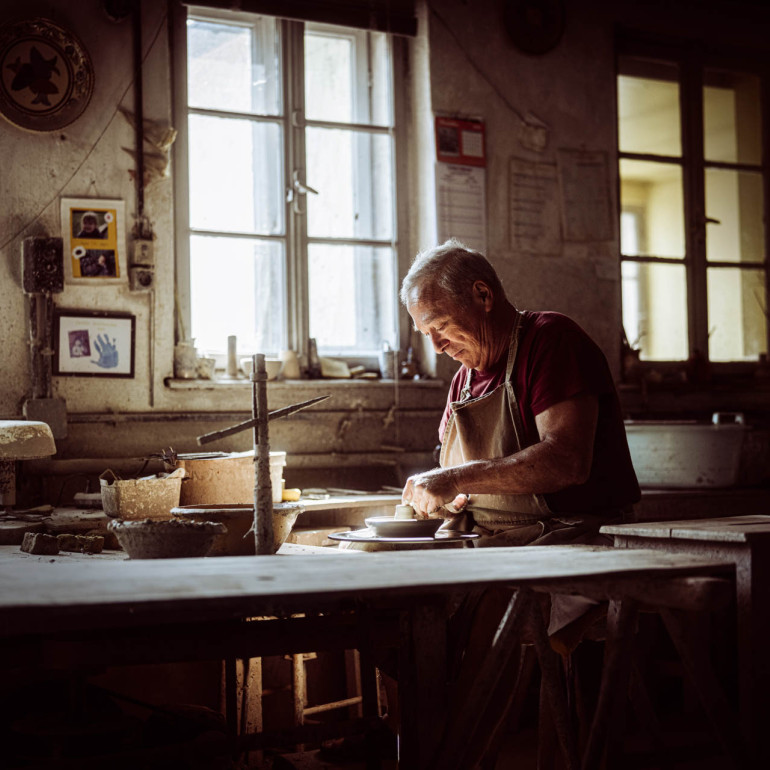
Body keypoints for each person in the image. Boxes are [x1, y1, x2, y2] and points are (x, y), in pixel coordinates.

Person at [400, 238, 640, 545]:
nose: (436, 346)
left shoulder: (552, 341)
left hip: (569, 531)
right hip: (491, 536)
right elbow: (459, 486)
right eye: (426, 335)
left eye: (441, 325)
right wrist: (442, 497)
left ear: (483, 295)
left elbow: (567, 461)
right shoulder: (462, 384)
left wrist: (455, 478)